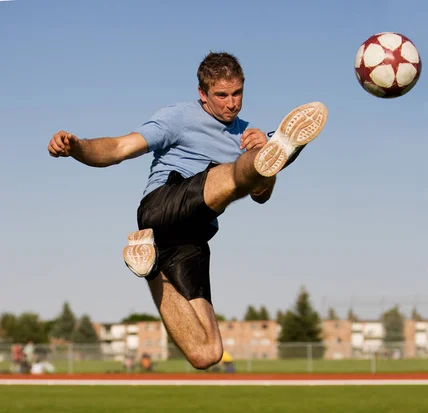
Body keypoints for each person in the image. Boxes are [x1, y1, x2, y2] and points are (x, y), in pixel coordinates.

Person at [48, 52, 327, 370]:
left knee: (207, 353)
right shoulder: (179, 117)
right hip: (162, 207)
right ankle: (281, 151)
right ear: (202, 94)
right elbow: (119, 148)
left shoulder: (249, 133)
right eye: (221, 95)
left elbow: (261, 197)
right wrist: (77, 147)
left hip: (187, 237)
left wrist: (263, 154)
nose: (231, 104)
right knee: (236, 176)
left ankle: (148, 267)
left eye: (237, 94)